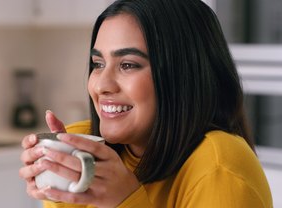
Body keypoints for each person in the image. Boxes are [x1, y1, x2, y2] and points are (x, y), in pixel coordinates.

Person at [19, 0, 273, 207]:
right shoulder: (83, 147)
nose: (101, 85)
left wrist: (125, 201)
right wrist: (62, 191)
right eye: (98, 64)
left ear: (182, 75)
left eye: (128, 65)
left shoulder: (220, 168)